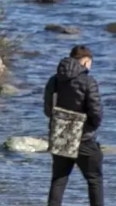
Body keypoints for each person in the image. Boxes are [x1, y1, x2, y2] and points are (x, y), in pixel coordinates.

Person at [43, 45, 105, 206]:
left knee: (59, 179)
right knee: (94, 179)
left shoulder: (54, 80)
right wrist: (91, 127)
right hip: (84, 137)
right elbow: (96, 111)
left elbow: (48, 109)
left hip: (61, 133)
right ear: (85, 61)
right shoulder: (88, 81)